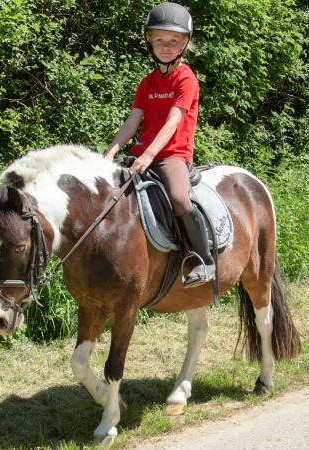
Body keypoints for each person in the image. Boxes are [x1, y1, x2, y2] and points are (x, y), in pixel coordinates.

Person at [104, 2, 215, 288]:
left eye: (173, 41)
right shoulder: (147, 82)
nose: (166, 46)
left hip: (171, 155)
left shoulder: (186, 79)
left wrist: (151, 154)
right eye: (160, 40)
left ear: (185, 43)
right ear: (149, 41)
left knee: (179, 198)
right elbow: (132, 123)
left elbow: (173, 122)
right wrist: (111, 151)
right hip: (142, 153)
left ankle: (203, 259)